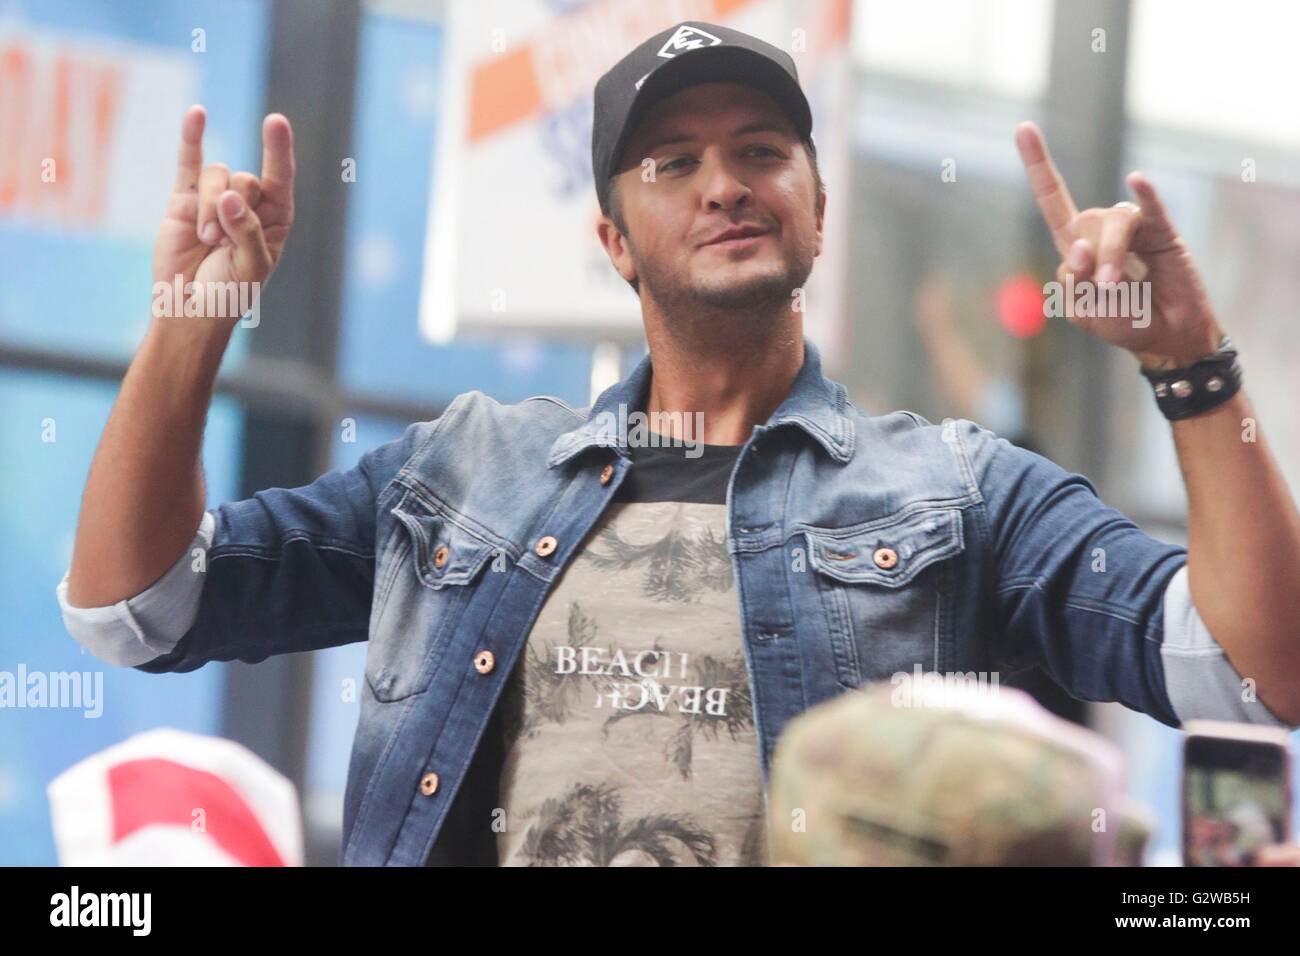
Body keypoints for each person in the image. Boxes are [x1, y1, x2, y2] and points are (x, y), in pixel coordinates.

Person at [58, 20, 1300, 867]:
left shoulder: (959, 487)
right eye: (674, 162)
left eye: (763, 152)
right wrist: (195, 313)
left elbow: (1256, 674)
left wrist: (1188, 368)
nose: (725, 183)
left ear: (816, 207)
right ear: (612, 239)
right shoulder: (462, 468)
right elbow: (139, 607)